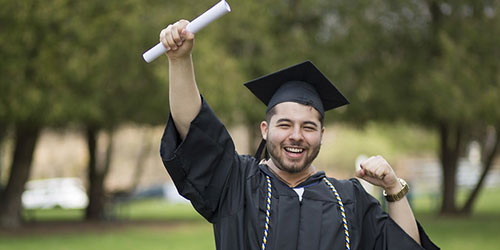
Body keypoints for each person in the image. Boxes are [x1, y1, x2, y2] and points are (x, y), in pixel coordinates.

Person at [159, 20, 439, 250]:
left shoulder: (349, 200)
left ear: (321, 134)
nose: (296, 136)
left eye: (308, 127)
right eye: (284, 125)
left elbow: (406, 247)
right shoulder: (236, 184)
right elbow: (194, 126)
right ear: (265, 130)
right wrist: (180, 60)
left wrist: (394, 190)